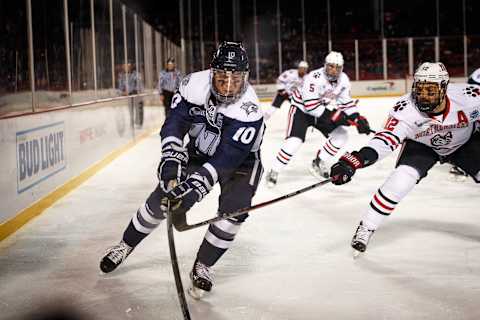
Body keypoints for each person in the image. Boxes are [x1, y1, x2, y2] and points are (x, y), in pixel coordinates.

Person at [100, 42, 264, 299]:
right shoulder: (192, 85)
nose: (229, 87)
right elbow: (175, 124)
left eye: (236, 80)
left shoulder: (249, 111)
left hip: (241, 162)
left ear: (246, 78)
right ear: (212, 73)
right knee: (161, 200)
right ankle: (125, 244)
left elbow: (226, 160)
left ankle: (203, 265)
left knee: (235, 210)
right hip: (200, 151)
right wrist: (171, 159)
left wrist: (196, 187)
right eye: (222, 78)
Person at [329, 62, 480, 256]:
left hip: (464, 144)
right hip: (422, 146)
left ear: (444, 88)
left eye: (430, 90)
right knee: (400, 181)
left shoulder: (470, 98)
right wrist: (356, 160)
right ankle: (367, 226)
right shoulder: (405, 108)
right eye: (420, 88)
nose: (423, 95)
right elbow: (385, 141)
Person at [265, 51, 371, 187]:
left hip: (321, 110)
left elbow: (346, 102)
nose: (334, 70)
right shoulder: (314, 77)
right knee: (294, 142)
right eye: (331, 66)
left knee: (341, 136)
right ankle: (274, 170)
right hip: (301, 110)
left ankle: (319, 162)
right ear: (325, 65)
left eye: (337, 67)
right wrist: (335, 116)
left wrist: (357, 118)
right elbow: (310, 106)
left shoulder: (343, 79)